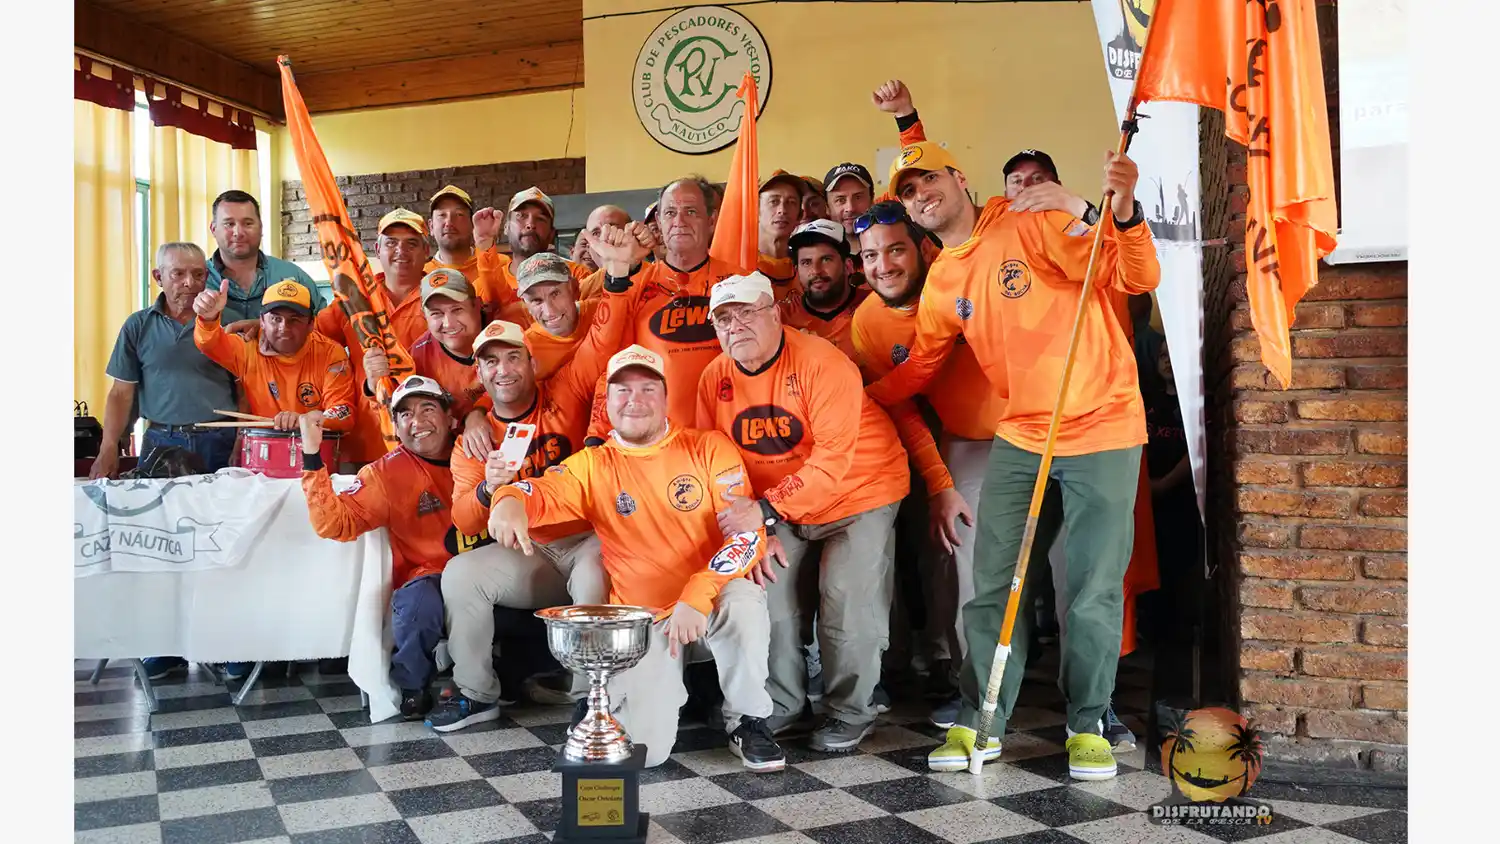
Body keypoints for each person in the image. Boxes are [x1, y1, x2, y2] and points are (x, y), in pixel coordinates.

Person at [869, 135, 1159, 781]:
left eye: (928, 181)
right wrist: (862, 393)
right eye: (908, 194)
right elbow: (922, 363)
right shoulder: (943, 277)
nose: (921, 197)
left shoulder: (1030, 216)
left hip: (1105, 425)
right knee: (993, 586)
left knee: (1090, 590)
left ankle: (1088, 722)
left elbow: (1136, 275)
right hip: (1023, 434)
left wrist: (1107, 206)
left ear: (960, 176)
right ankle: (982, 719)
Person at [489, 345, 785, 772]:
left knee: (744, 600)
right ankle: (654, 700)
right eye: (622, 390)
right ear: (606, 403)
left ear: (666, 399)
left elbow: (746, 535)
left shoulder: (709, 448)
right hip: (646, 620)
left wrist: (697, 595)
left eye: (648, 388)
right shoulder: (593, 464)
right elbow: (540, 491)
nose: (635, 399)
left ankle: (749, 721)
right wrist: (508, 498)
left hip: (708, 602)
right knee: (646, 753)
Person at [432, 228, 649, 732]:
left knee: (597, 567)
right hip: (529, 549)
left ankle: (590, 698)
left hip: (584, 537)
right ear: (479, 377)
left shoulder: (566, 392)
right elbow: (464, 515)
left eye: (512, 357)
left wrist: (616, 279)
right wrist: (488, 487)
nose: (503, 370)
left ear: (531, 360)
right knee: (461, 575)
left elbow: (601, 344)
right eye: (490, 363)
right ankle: (475, 693)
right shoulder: (474, 440)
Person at [698, 273, 909, 753]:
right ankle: (782, 703)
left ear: (775, 313)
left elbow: (833, 462)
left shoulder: (821, 362)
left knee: (845, 598)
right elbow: (713, 460)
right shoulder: (715, 377)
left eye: (747, 312)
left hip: (861, 492)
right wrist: (761, 527)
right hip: (780, 505)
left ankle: (851, 711)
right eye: (724, 318)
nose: (736, 326)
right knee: (767, 593)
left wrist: (767, 511)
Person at [849, 201, 1014, 728]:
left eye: (895, 249)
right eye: (871, 255)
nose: (884, 264)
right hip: (959, 439)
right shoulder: (868, 321)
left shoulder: (962, 277)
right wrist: (941, 484)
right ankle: (970, 687)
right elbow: (898, 405)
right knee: (958, 554)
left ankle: (1092, 704)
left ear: (923, 248)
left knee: (1061, 564)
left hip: (1036, 426)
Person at [301, 374, 461, 719]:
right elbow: (334, 523)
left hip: (487, 573)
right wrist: (312, 458)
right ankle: (414, 686)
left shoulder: (475, 452)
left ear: (451, 418)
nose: (417, 422)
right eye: (405, 414)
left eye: (428, 409)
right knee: (418, 606)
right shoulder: (385, 473)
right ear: (396, 426)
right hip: (430, 576)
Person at [583, 178, 740, 441]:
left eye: (691, 211)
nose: (680, 220)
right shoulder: (635, 287)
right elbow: (613, 363)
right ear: (659, 223)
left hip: (729, 439)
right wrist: (597, 435)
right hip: (659, 446)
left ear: (711, 221)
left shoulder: (741, 283)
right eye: (670, 212)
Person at [92, 242, 239, 480]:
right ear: (159, 277)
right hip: (160, 441)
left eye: (198, 274)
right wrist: (107, 448)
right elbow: (121, 393)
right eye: (178, 273)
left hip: (220, 440)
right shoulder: (138, 325)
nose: (189, 282)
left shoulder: (229, 323)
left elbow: (247, 390)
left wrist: (241, 442)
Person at [317, 209, 435, 466]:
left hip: (427, 442)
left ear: (427, 251)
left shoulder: (440, 297)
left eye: (411, 243)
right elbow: (310, 343)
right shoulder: (354, 300)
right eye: (391, 243)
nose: (400, 251)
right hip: (362, 444)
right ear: (377, 249)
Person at [193, 278, 356, 434]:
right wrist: (208, 319)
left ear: (310, 324)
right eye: (276, 319)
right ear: (262, 321)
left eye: (294, 320)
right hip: (260, 449)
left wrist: (308, 420)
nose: (284, 327)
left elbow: (344, 410)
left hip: (315, 449)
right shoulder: (248, 348)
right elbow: (208, 344)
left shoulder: (330, 352)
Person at [368, 268, 487, 420]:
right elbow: (396, 415)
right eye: (436, 313)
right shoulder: (416, 359)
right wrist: (374, 386)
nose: (448, 323)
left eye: (457, 309)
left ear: (477, 305)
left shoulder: (502, 332)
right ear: (425, 317)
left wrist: (479, 412)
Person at [205, 189, 324, 333]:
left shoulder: (292, 276)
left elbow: (326, 327)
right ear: (213, 229)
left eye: (248, 223)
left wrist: (269, 328)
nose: (238, 233)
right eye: (229, 224)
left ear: (261, 228)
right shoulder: (197, 279)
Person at [469, 187, 597, 306]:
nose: (530, 224)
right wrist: (484, 244)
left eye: (541, 219)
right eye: (522, 216)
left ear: (551, 233)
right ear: (506, 227)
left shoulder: (577, 275)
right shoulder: (481, 286)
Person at [778, 219, 869, 358]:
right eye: (806, 262)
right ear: (797, 271)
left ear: (848, 266)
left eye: (826, 259)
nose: (816, 271)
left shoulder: (873, 306)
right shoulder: (779, 318)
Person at [756, 170, 805, 301]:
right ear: (756, 210)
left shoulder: (806, 265)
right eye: (774, 201)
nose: (782, 210)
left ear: (800, 215)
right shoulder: (737, 263)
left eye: (791, 202)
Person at [424, 185, 483, 281]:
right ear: (431, 227)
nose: (449, 222)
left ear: (472, 224)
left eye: (459, 214)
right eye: (442, 215)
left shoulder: (498, 266)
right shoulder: (422, 276)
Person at [824, 163, 876, 258]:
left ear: (872, 200)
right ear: (827, 207)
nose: (850, 208)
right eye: (840, 200)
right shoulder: (819, 256)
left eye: (858, 197)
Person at [575, 204, 632, 272]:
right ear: (588, 246)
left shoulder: (647, 276)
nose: (603, 238)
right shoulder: (589, 282)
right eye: (596, 233)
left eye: (612, 229)